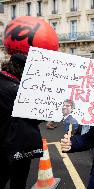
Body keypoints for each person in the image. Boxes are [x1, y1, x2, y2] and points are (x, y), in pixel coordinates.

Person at [0, 54, 43, 189]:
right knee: (18, 182)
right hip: (19, 144)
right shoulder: (20, 91)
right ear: (22, 69)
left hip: (2, 143)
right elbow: (37, 117)